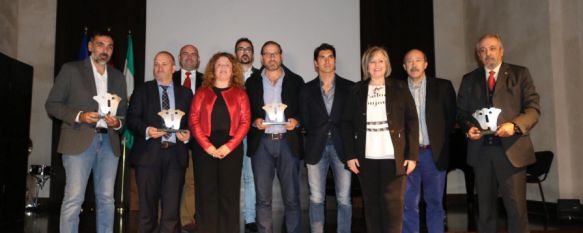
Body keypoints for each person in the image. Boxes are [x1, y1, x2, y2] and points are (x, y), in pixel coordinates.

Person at [457, 34, 540, 233]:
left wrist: (515, 125)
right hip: (481, 152)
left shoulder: (520, 74)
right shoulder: (469, 80)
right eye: (483, 50)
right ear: (478, 55)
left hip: (512, 150)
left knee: (516, 210)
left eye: (492, 48)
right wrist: (468, 128)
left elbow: (533, 109)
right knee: (485, 212)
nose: (488, 53)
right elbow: (461, 113)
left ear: (501, 50)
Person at [46, 30, 127, 233]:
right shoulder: (71, 70)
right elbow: (52, 105)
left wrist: (116, 123)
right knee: (74, 198)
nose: (105, 50)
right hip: (78, 140)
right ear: (90, 46)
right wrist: (80, 115)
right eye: (100, 45)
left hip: (109, 144)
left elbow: (124, 115)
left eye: (109, 47)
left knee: (107, 199)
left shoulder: (118, 77)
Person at [342, 46, 418, 233]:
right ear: (366, 66)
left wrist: (412, 155)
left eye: (381, 61)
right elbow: (346, 124)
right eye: (372, 61)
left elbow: (412, 121)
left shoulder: (400, 87)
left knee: (394, 208)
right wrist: (350, 155)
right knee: (372, 207)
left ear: (387, 65)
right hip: (366, 159)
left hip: (394, 158)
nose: (377, 65)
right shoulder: (356, 90)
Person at [126, 51, 192, 233]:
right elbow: (131, 119)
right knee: (147, 211)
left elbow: (192, 123)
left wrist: (188, 135)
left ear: (174, 68)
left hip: (175, 156)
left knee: (171, 211)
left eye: (164, 64)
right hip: (147, 156)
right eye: (156, 64)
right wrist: (147, 130)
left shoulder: (185, 93)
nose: (159, 68)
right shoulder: (142, 90)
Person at [245, 41, 305, 233]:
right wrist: (255, 121)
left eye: (275, 54)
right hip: (262, 143)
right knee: (263, 199)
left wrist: (297, 120)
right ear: (261, 58)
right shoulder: (252, 82)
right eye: (267, 54)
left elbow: (305, 110)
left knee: (292, 197)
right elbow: (246, 112)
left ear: (281, 56)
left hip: (288, 142)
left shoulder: (296, 81)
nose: (271, 57)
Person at [189, 52, 251, 233]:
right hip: (204, 148)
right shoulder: (202, 92)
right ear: (212, 70)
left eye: (227, 65)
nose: (223, 68)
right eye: (219, 65)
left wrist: (229, 146)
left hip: (231, 148)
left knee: (228, 195)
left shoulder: (241, 94)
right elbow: (193, 119)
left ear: (233, 70)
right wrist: (206, 145)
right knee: (205, 194)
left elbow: (245, 122)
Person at [299, 43, 354, 233]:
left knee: (344, 198)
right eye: (322, 57)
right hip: (316, 147)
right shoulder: (306, 90)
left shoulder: (350, 87)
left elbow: (353, 119)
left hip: (343, 147)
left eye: (330, 56)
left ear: (335, 60)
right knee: (316, 197)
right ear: (316, 63)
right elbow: (305, 119)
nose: (327, 60)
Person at [401, 49, 456, 233]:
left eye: (418, 60)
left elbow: (450, 119)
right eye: (409, 61)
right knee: (409, 204)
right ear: (404, 66)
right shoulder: (397, 90)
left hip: (433, 153)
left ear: (426, 64)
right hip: (408, 156)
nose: (414, 64)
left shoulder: (443, 87)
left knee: (435, 202)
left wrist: (437, 141)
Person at [172, 44, 203, 232]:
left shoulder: (207, 80)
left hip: (197, 139)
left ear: (198, 59)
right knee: (171, 180)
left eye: (193, 55)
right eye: (185, 54)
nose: (189, 57)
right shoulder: (169, 78)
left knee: (192, 181)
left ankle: (186, 219)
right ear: (179, 57)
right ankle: (166, 217)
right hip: (172, 139)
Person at [234, 37, 260, 233]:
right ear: (236, 53)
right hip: (230, 136)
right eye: (241, 49)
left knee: (250, 178)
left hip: (251, 135)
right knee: (231, 178)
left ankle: (250, 218)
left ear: (253, 54)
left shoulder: (261, 77)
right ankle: (231, 216)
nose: (244, 52)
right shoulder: (227, 76)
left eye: (248, 49)